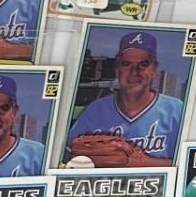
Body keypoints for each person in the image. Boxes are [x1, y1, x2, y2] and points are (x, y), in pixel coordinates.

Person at [64, 29, 186, 165]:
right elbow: (67, 157)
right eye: (127, 64)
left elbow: (190, 165)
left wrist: (141, 162)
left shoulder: (176, 110)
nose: (134, 72)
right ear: (117, 70)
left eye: (143, 64)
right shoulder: (94, 111)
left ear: (154, 70)